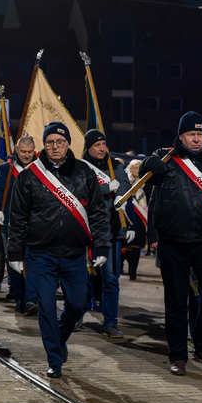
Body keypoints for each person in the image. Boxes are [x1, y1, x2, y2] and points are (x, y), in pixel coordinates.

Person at [7, 122, 110, 379]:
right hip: (41, 254)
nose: (55, 146)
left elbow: (98, 211)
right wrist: (15, 253)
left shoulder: (84, 172)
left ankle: (60, 338)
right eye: (50, 142)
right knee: (46, 307)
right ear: (45, 144)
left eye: (60, 142)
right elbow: (17, 217)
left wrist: (102, 245)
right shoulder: (30, 175)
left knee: (77, 305)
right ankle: (54, 359)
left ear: (68, 144)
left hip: (74, 253)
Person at [140, 111, 202, 376]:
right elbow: (147, 178)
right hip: (173, 242)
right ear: (181, 137)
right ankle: (178, 355)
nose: (196, 139)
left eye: (199, 135)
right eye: (191, 135)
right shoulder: (168, 160)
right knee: (175, 302)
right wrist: (149, 163)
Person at [82, 129, 130, 339]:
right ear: (88, 148)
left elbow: (125, 185)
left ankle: (110, 322)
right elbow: (82, 188)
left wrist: (119, 195)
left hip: (111, 230)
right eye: (97, 145)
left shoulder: (116, 165)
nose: (102, 149)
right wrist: (105, 188)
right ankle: (74, 316)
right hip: (85, 229)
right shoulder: (81, 167)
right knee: (80, 277)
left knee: (111, 279)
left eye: (103, 144)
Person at [0, 135, 37, 314]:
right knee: (14, 263)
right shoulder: (6, 170)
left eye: (30, 152)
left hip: (36, 223)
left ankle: (31, 300)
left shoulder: (40, 168)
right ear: (16, 150)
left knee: (33, 262)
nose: (26, 155)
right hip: (11, 223)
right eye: (23, 152)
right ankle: (19, 297)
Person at [122, 159, 147, 280]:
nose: (137, 170)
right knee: (127, 245)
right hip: (128, 215)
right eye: (135, 168)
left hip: (140, 218)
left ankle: (133, 272)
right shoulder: (126, 180)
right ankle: (124, 266)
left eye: (139, 168)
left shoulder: (144, 182)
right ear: (130, 169)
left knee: (136, 245)